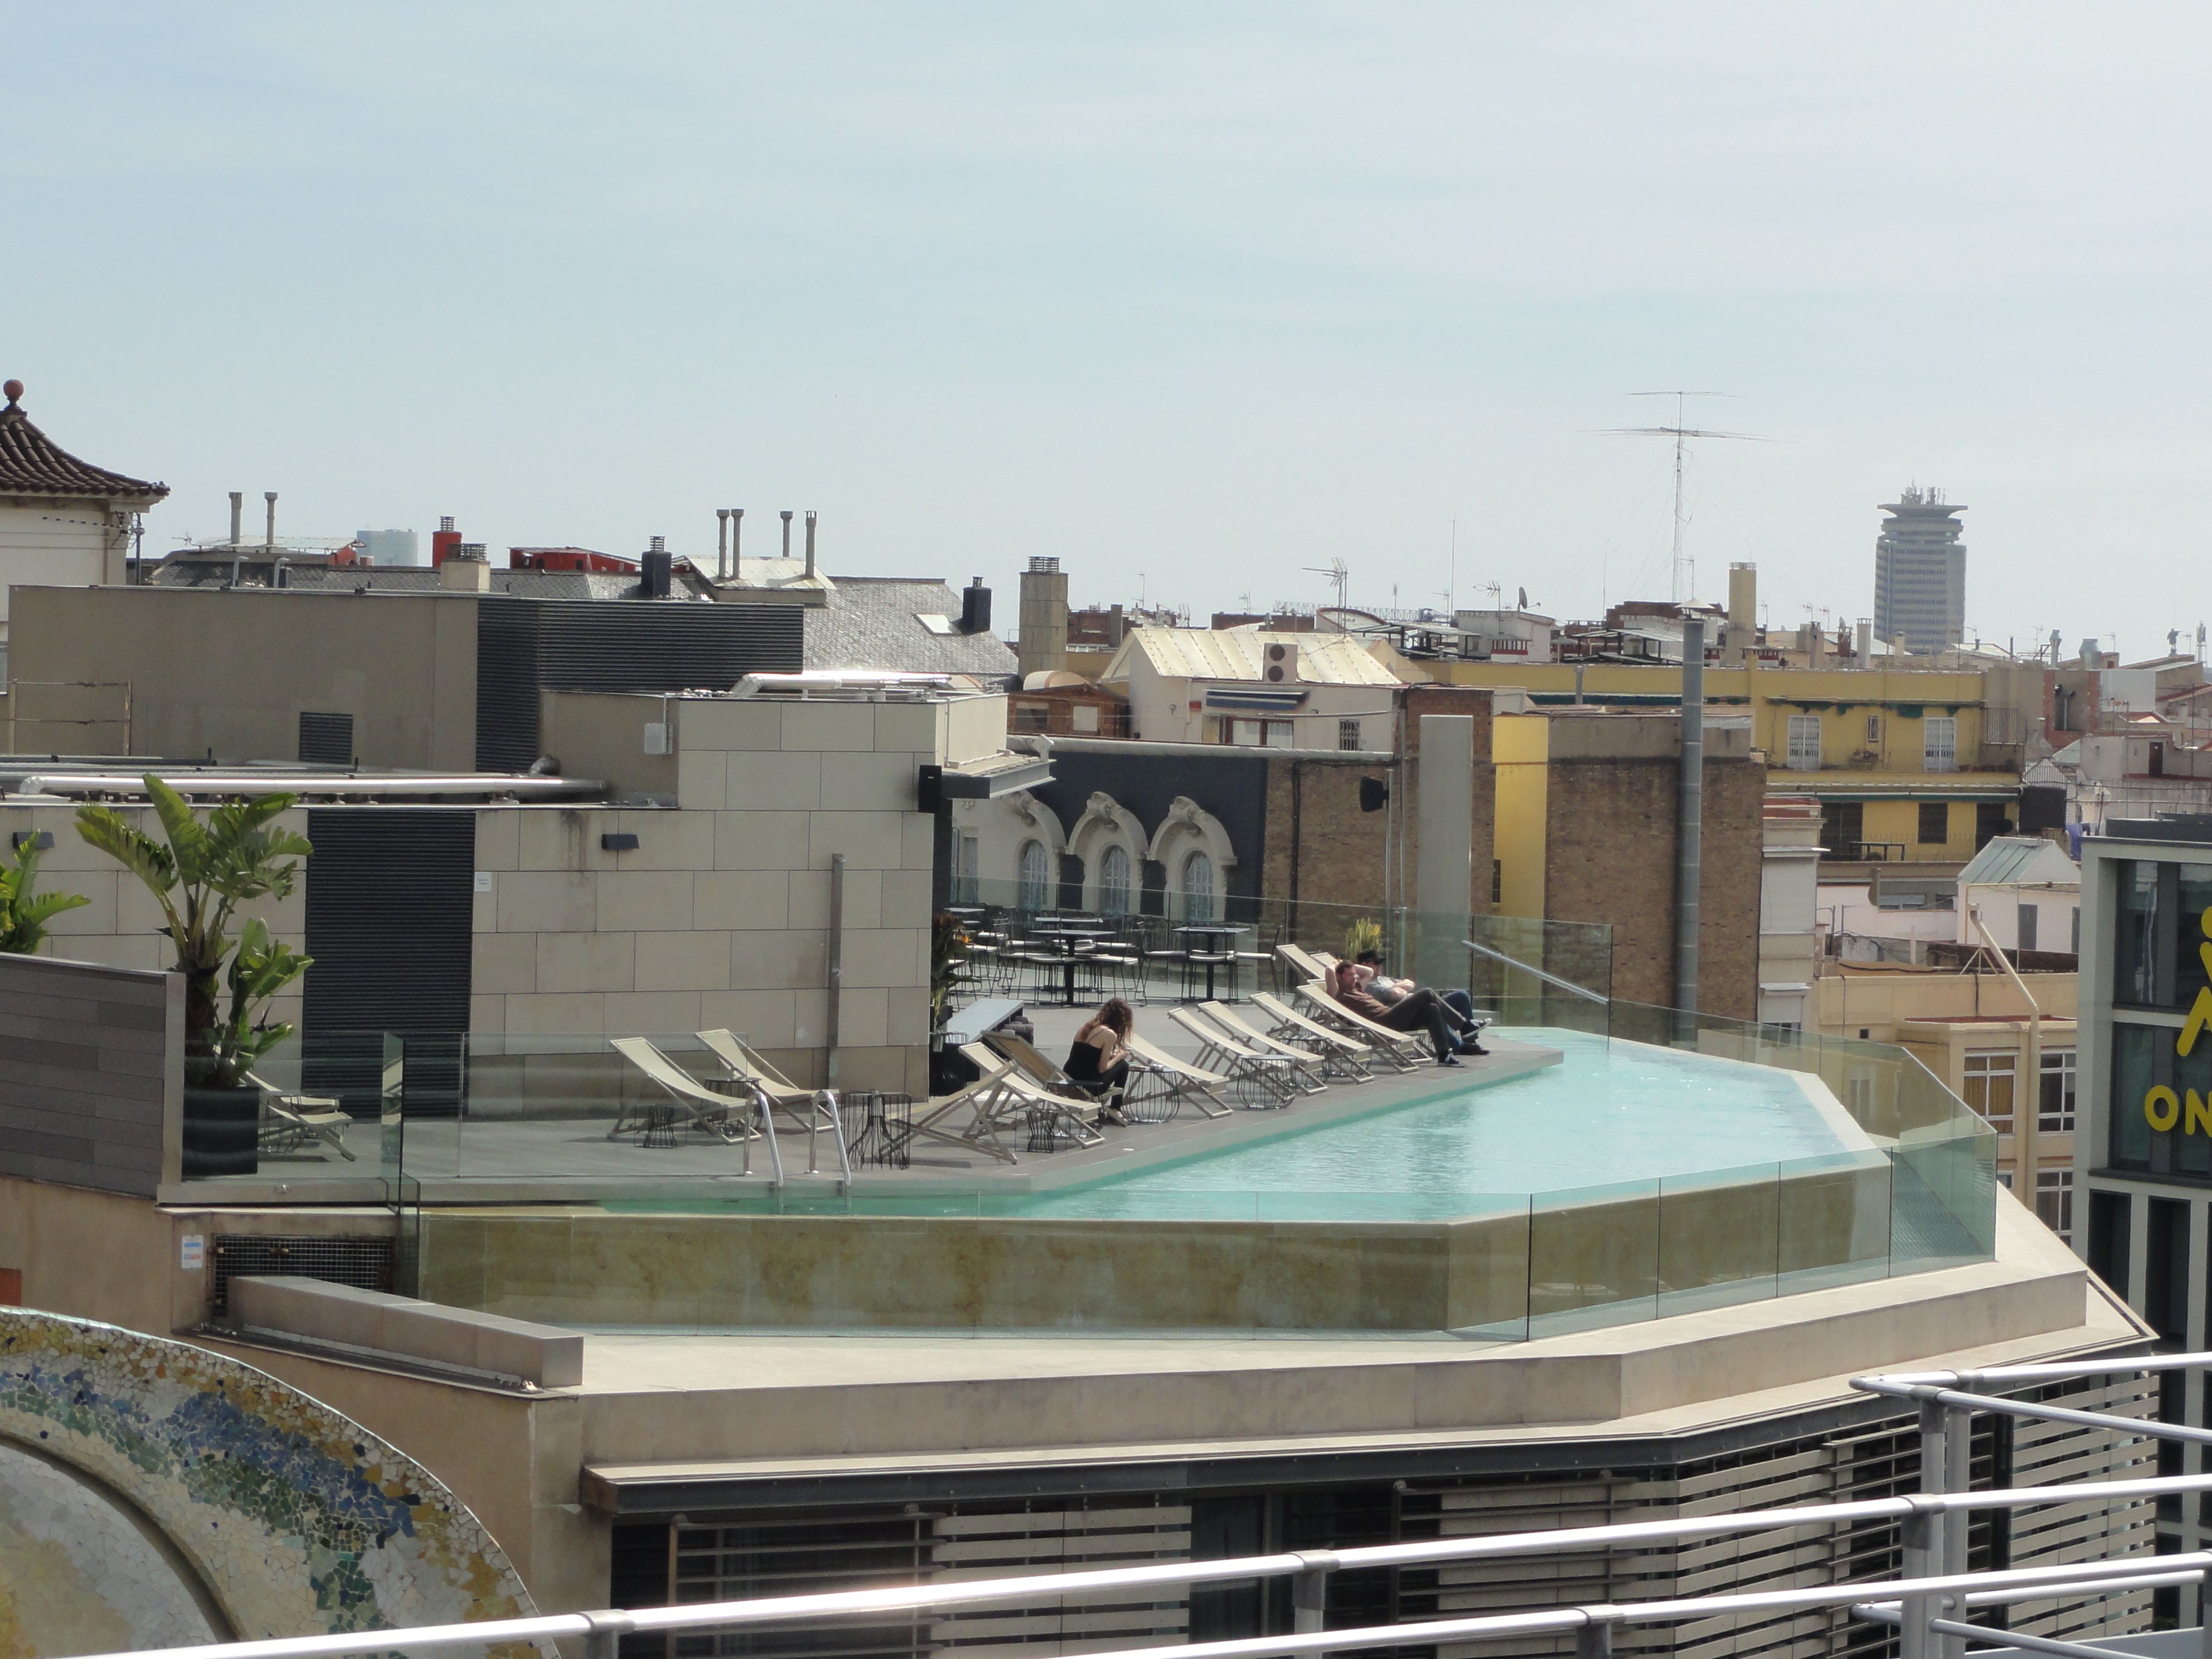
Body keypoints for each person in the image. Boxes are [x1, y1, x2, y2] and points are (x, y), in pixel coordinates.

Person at [1326, 959, 1466, 1067]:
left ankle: (1444, 1055)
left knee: (1432, 1009)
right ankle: (1465, 1026)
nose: (1355, 977)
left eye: (1355, 974)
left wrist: (1348, 966)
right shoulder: (1338, 994)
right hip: (1382, 1024)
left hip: (1391, 1018)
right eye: (1350, 975)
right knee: (1427, 993)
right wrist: (1336, 964)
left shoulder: (1357, 987)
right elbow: (1329, 971)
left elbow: (1369, 972)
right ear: (1339, 976)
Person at [1353, 950, 1489, 1056]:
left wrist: (1399, 986)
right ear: (1364, 965)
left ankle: (1470, 1039)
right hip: (1407, 1016)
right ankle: (1459, 1042)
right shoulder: (1369, 985)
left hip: (1417, 1005)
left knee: (1462, 996)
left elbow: (1410, 983)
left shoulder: (1385, 979)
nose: (1380, 966)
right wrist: (1400, 988)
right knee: (1431, 1002)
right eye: (1376, 963)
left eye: (1380, 963)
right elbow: (1397, 994)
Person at [1065, 997, 1134, 1124]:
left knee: (1117, 1062)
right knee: (1123, 1065)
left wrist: (1111, 1056)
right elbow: (1102, 1069)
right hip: (1089, 1086)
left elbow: (1086, 1056)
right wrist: (1119, 1056)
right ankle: (1115, 1108)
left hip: (1070, 1081)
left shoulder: (1086, 1028)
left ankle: (1113, 1109)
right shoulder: (1109, 1034)